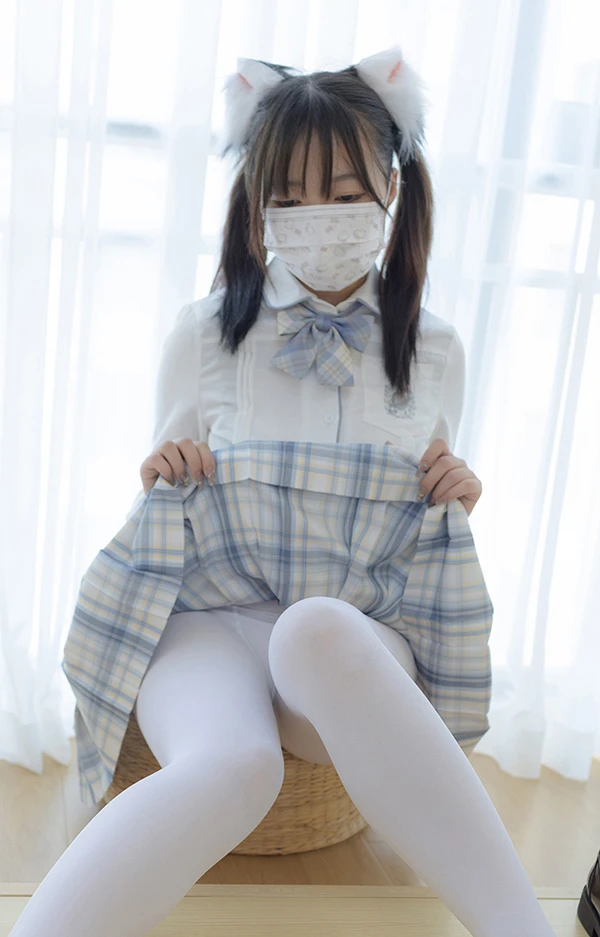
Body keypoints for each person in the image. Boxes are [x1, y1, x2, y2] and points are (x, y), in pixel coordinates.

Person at [9, 45, 558, 937]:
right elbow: (165, 490)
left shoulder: (436, 350)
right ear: (257, 202)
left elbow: (422, 516)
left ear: (391, 187)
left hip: (350, 633)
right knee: (234, 765)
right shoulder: (203, 333)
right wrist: (163, 468)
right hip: (211, 617)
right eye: (289, 197)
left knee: (314, 627)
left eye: (340, 193)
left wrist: (458, 486)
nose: (315, 217)